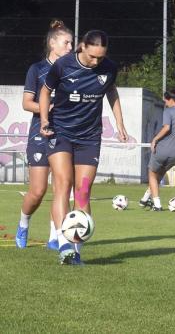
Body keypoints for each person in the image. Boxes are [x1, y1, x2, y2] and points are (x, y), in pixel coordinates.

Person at [39, 30, 128, 265]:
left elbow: (111, 92)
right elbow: (45, 91)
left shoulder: (109, 68)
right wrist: (45, 120)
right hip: (60, 132)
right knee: (63, 185)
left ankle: (77, 249)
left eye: (101, 57)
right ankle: (63, 243)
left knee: (83, 191)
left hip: (89, 137)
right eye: (92, 56)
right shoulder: (63, 65)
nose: (96, 62)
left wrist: (120, 123)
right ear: (83, 48)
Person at [15, 20, 73, 250]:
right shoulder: (37, 69)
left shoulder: (72, 70)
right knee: (38, 190)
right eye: (66, 42)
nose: (70, 46)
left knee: (62, 187)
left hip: (64, 134)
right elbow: (27, 104)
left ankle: (55, 236)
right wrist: (47, 107)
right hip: (40, 134)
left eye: (71, 42)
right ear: (52, 43)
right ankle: (23, 222)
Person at [139, 87, 175, 211]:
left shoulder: (168, 112)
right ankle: (144, 199)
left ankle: (157, 205)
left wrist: (155, 139)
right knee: (159, 176)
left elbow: (166, 128)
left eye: (165, 101)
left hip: (162, 149)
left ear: (170, 100)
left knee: (152, 175)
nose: (165, 103)